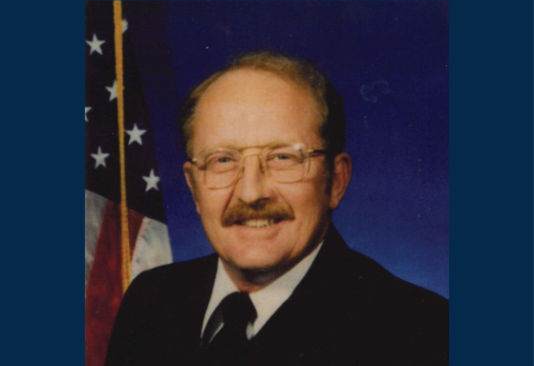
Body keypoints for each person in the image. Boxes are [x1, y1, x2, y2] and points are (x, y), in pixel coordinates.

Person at [105, 51, 448, 366]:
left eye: (283, 157)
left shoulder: (420, 334)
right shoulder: (151, 301)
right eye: (223, 160)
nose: (251, 192)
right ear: (194, 187)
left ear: (336, 181)